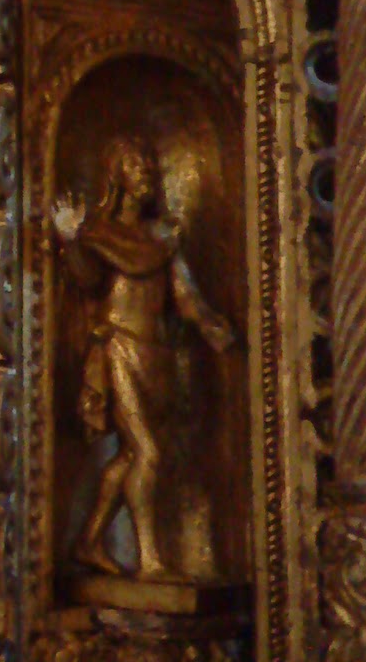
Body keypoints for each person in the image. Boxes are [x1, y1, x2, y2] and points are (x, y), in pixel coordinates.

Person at [53, 132, 232, 580]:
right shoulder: (98, 233)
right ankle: (150, 560)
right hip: (118, 346)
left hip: (157, 352)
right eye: (136, 164)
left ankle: (89, 541)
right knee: (148, 452)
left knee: (138, 455)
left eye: (149, 163)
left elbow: (183, 295)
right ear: (117, 176)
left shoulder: (162, 237)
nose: (146, 172)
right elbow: (87, 281)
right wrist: (71, 240)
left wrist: (209, 322)